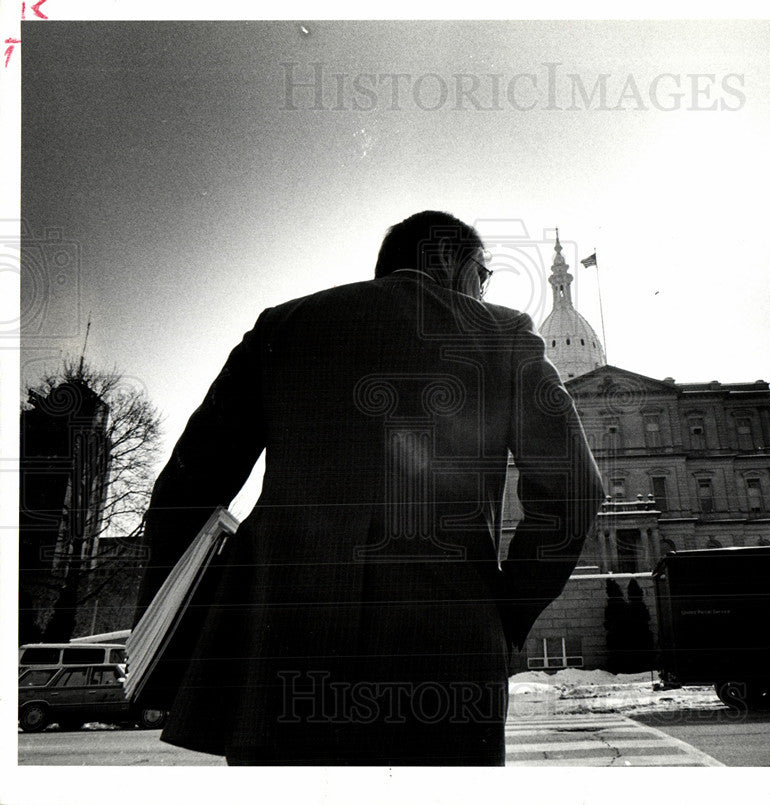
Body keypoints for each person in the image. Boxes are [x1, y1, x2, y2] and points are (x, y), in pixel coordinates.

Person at [132, 210, 604, 765]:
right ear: (457, 263)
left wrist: (165, 627)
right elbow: (573, 488)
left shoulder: (282, 326)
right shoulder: (502, 332)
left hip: (279, 647)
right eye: (483, 277)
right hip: (445, 651)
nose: (481, 292)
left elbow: (186, 486)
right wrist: (506, 614)